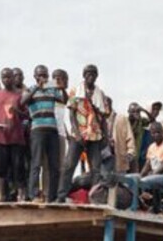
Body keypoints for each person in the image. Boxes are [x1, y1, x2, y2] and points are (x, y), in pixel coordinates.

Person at [57, 64, 108, 202]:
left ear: (96, 76)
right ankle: (61, 196)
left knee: (96, 169)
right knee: (69, 165)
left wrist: (106, 136)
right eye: (88, 73)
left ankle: (95, 198)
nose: (90, 76)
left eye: (93, 73)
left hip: (95, 135)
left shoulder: (100, 94)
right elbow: (71, 114)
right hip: (78, 134)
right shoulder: (75, 91)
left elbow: (103, 118)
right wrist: (77, 133)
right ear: (84, 75)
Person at [21, 64, 66, 202]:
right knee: (36, 163)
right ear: (35, 77)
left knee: (54, 165)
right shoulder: (30, 89)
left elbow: (64, 100)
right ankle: (34, 194)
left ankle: (52, 196)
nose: (44, 78)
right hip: (37, 130)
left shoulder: (52, 89)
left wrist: (61, 87)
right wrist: (37, 87)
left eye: (46, 75)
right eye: (40, 75)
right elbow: (23, 101)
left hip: (52, 130)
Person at [0, 67, 28, 202]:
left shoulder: (20, 94)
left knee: (19, 167)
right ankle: (2, 196)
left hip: (17, 138)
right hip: (0, 138)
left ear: (13, 78)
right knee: (1, 169)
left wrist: (17, 111)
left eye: (8, 77)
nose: (6, 79)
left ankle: (21, 195)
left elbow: (27, 115)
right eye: (4, 77)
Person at [138, 122, 163, 212]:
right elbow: (147, 165)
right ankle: (142, 204)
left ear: (162, 133)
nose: (155, 135)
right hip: (155, 176)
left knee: (144, 181)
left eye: (157, 132)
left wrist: (148, 177)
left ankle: (149, 205)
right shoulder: (151, 147)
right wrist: (139, 176)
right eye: (153, 133)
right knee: (133, 179)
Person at [127, 102, 153, 172]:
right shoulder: (127, 121)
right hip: (129, 152)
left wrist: (143, 110)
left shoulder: (141, 121)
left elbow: (152, 120)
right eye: (133, 111)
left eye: (137, 111)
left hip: (139, 151)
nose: (136, 113)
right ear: (129, 112)